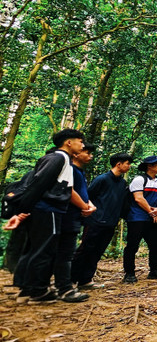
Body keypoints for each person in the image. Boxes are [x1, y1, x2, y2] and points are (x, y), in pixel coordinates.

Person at [12, 128, 89, 304]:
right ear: (69, 142)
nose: (82, 145)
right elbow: (39, 184)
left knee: (39, 249)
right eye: (80, 141)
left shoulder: (59, 159)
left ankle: (30, 289)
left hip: (46, 209)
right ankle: (38, 292)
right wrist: (24, 210)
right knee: (45, 250)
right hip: (49, 210)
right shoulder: (59, 158)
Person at [71, 152, 133, 290]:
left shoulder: (123, 183)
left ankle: (85, 280)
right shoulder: (102, 179)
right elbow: (87, 196)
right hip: (95, 222)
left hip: (110, 223)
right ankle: (70, 281)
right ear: (119, 164)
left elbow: (123, 204)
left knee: (97, 252)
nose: (129, 166)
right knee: (85, 250)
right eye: (127, 163)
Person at [51, 142, 97, 303]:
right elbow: (68, 191)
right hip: (66, 215)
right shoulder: (69, 169)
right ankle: (64, 287)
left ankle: (63, 285)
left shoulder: (78, 172)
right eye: (87, 152)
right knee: (64, 252)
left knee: (67, 251)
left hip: (75, 216)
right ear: (76, 153)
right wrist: (85, 206)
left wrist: (88, 204)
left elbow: (81, 192)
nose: (90, 156)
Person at [122, 155, 157, 283]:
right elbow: (138, 198)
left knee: (156, 244)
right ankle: (129, 273)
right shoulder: (139, 180)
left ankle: (155, 270)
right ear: (149, 166)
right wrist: (151, 212)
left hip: (153, 217)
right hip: (137, 217)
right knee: (132, 245)